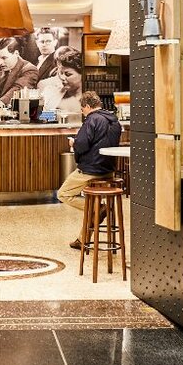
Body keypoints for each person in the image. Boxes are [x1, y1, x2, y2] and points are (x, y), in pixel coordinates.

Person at [57, 91, 121, 250]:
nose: (81, 111)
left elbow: (82, 145)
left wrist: (73, 143)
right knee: (93, 202)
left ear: (87, 106)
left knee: (63, 194)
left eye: (82, 108)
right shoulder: (114, 120)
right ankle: (82, 239)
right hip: (108, 170)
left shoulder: (92, 120)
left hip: (91, 169)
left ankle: (98, 208)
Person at [37, 46, 83, 112]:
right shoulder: (51, 93)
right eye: (61, 73)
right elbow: (42, 117)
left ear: (82, 74)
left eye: (68, 74)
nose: (62, 78)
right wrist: (58, 114)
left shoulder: (90, 97)